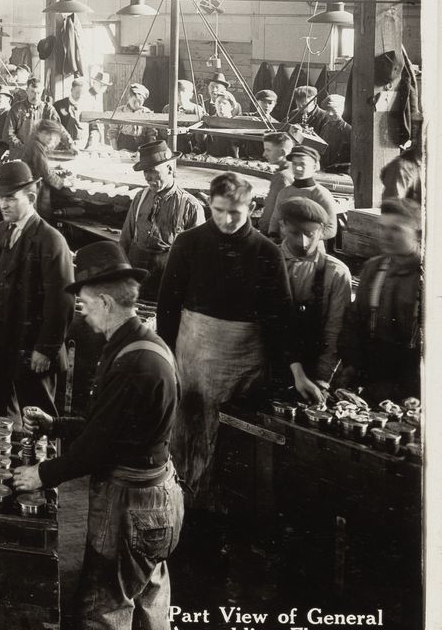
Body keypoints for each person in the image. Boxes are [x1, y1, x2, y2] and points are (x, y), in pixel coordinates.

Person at [13, 242, 182, 630]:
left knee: (102, 616)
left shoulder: (132, 362)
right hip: (159, 497)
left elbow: (100, 447)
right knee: (148, 611)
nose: (81, 313)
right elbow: (113, 425)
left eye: (84, 304)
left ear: (105, 301)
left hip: (129, 505)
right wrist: (58, 425)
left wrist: (41, 474)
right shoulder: (141, 343)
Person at [156, 172, 295, 510]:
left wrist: (291, 370)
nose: (226, 219)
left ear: (252, 208)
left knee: (230, 433)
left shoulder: (267, 252)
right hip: (193, 354)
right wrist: (165, 353)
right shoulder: (188, 243)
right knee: (187, 426)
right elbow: (168, 304)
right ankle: (183, 499)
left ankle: (220, 507)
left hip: (242, 359)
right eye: (218, 211)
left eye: (235, 212)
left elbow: (281, 317)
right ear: (209, 205)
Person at [0, 160, 74, 428]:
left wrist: (46, 348)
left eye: (11, 198)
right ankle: (5, 467)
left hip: (32, 346)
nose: (3, 205)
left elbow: (61, 300)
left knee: (36, 416)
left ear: (31, 197)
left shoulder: (50, 240)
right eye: (0, 198)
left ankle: (40, 468)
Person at [338, 197, 422, 403]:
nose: (386, 235)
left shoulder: (430, 277)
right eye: (382, 228)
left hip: (415, 382)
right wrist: (352, 363)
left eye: (396, 229)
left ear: (418, 234)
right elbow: (354, 320)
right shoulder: (373, 268)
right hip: (373, 373)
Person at [276, 196, 352, 404]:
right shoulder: (266, 262)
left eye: (311, 234)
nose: (303, 242)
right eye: (295, 233)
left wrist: (321, 380)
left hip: (314, 370)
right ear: (282, 227)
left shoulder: (336, 273)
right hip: (268, 365)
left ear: (322, 230)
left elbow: (335, 330)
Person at [119, 140, 205, 299]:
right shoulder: (140, 197)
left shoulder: (191, 206)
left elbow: (199, 256)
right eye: (145, 171)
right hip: (135, 275)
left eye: (153, 171)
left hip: (167, 278)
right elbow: (125, 238)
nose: (148, 177)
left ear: (170, 169)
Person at [267, 145, 337, 241]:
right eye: (295, 164)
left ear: (314, 166)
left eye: (303, 164)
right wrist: (273, 236)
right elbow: (275, 219)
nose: (298, 168)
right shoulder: (284, 193)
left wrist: (305, 238)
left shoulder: (320, 194)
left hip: (312, 251)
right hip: (286, 248)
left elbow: (331, 229)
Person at [19, 119, 70, 221]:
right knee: (37, 218)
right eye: (47, 133)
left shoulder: (37, 144)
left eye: (54, 134)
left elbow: (42, 166)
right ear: (38, 133)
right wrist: (62, 183)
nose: (51, 137)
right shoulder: (36, 146)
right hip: (32, 187)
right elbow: (45, 172)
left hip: (33, 186)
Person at [255, 131, 294, 237]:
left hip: (276, 233)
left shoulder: (281, 177)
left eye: (268, 150)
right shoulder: (292, 169)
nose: (264, 154)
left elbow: (271, 210)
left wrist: (263, 232)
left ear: (282, 153)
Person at [8, 75, 57, 147]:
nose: (36, 96)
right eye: (32, 92)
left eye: (38, 93)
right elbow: (8, 133)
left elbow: (57, 130)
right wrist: (22, 147)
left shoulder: (48, 109)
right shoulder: (17, 108)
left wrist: (71, 145)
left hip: (41, 152)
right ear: (27, 91)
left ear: (42, 91)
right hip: (20, 153)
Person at [112, 82, 155, 152]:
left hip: (142, 145)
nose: (137, 105)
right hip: (124, 145)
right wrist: (115, 151)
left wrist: (149, 151)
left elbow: (151, 134)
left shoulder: (147, 112)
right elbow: (113, 133)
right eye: (135, 101)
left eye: (140, 102)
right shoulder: (119, 111)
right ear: (129, 97)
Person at [53, 76, 89, 149]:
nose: (80, 95)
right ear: (71, 90)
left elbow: (92, 128)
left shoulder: (87, 106)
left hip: (81, 145)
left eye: (82, 93)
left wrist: (89, 146)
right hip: (62, 145)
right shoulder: (58, 105)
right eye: (77, 92)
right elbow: (54, 126)